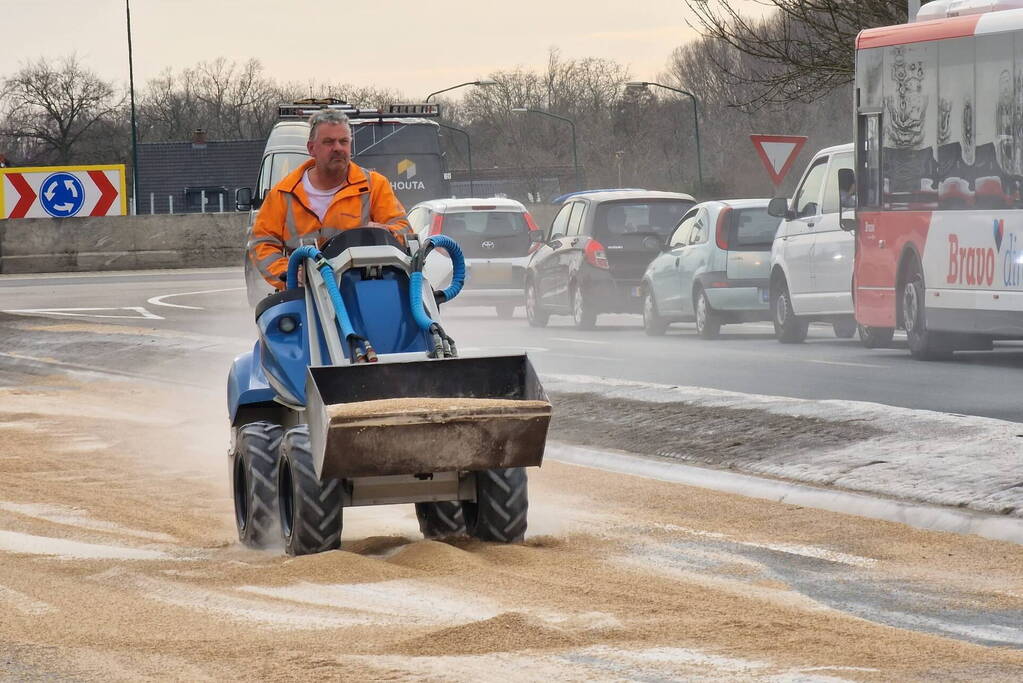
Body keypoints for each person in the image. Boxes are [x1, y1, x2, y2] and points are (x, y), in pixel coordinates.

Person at [247, 109, 412, 289]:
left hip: (365, 288)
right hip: (305, 294)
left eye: (343, 142)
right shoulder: (284, 193)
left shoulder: (374, 186)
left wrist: (385, 232)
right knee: (274, 315)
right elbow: (262, 242)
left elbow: (405, 232)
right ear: (311, 148)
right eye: (328, 142)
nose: (338, 148)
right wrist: (290, 273)